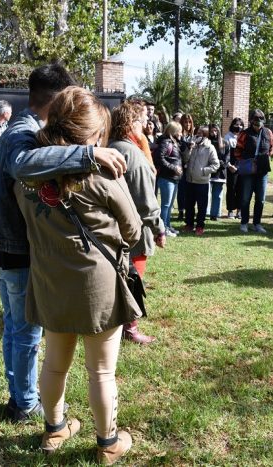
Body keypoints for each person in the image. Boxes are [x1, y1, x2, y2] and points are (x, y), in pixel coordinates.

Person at [0, 63, 127, 423]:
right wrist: (90, 154)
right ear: (56, 99)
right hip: (12, 250)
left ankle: (24, 398)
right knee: (25, 334)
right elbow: (23, 166)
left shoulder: (24, 128)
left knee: (17, 330)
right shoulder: (23, 135)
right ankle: (24, 403)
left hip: (5, 247)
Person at [14, 86, 138, 462]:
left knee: (54, 363)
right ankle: (108, 443)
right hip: (96, 284)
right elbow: (133, 230)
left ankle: (54, 431)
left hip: (50, 280)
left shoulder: (27, 178)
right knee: (101, 371)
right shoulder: (103, 176)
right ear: (91, 135)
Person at [109, 100, 166, 345]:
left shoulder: (107, 146)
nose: (146, 125)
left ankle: (117, 322)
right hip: (133, 232)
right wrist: (159, 228)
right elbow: (146, 199)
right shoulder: (132, 153)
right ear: (131, 124)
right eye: (142, 120)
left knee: (116, 278)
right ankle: (130, 328)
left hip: (109, 229)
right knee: (134, 278)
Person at [235, 109, 273, 234]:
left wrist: (263, 159)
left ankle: (257, 223)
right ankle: (244, 223)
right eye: (256, 118)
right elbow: (237, 151)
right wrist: (247, 162)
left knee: (261, 199)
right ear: (251, 120)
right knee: (246, 198)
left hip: (262, 171)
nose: (258, 121)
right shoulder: (244, 134)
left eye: (261, 118)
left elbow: (271, 149)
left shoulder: (268, 133)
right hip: (248, 171)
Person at [183, 126, 219, 235]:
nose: (197, 135)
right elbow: (185, 159)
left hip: (202, 182)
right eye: (197, 133)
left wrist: (203, 171)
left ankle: (200, 226)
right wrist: (189, 149)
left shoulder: (210, 148)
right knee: (189, 205)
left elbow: (216, 164)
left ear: (205, 135)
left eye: (200, 133)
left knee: (201, 206)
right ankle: (189, 224)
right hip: (189, 180)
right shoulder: (191, 145)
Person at [154, 122, 183, 237]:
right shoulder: (166, 142)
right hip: (167, 177)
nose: (181, 133)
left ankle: (168, 225)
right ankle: (163, 228)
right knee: (165, 205)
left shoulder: (175, 142)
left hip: (174, 178)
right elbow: (159, 159)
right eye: (179, 131)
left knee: (170, 205)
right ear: (173, 131)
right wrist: (173, 167)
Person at [224, 117, 244, 219]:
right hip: (231, 165)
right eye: (236, 125)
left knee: (241, 188)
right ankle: (230, 210)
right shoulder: (227, 137)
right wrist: (229, 166)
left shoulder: (244, 137)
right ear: (232, 125)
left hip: (242, 165)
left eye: (240, 125)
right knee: (231, 188)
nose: (239, 127)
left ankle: (239, 210)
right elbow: (225, 154)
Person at [176, 113, 195, 221]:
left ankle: (189, 210)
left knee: (190, 190)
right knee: (181, 190)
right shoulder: (179, 136)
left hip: (192, 166)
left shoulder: (194, 136)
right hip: (181, 165)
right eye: (185, 122)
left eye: (189, 122)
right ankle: (181, 211)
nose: (187, 124)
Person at [208, 123, 228, 221]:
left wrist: (221, 163)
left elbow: (227, 158)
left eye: (215, 131)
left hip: (219, 172)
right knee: (206, 195)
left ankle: (214, 214)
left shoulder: (224, 143)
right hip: (207, 172)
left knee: (217, 195)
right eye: (211, 131)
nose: (214, 133)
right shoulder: (206, 142)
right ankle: (205, 212)